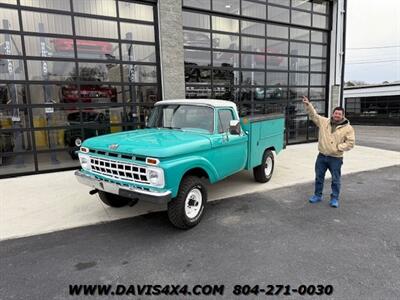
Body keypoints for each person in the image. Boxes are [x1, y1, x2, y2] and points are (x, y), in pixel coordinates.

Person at [302, 96, 355, 208]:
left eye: (339, 114)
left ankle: (334, 198)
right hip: (322, 156)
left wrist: (338, 147)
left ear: (343, 115)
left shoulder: (348, 128)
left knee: (335, 179)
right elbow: (313, 115)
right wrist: (308, 105)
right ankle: (317, 195)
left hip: (336, 158)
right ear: (333, 113)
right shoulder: (324, 122)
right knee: (319, 177)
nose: (337, 115)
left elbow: (350, 143)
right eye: (335, 113)